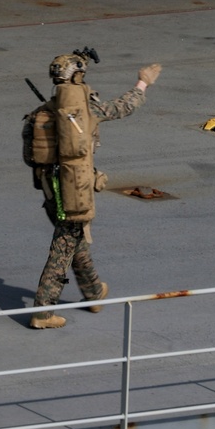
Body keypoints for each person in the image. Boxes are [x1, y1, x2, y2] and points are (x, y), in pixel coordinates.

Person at [27, 50, 161, 329]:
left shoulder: (40, 114)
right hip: (74, 189)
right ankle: (43, 312)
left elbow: (30, 157)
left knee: (77, 241)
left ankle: (93, 291)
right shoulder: (84, 110)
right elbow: (123, 107)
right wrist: (143, 82)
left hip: (51, 190)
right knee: (63, 247)